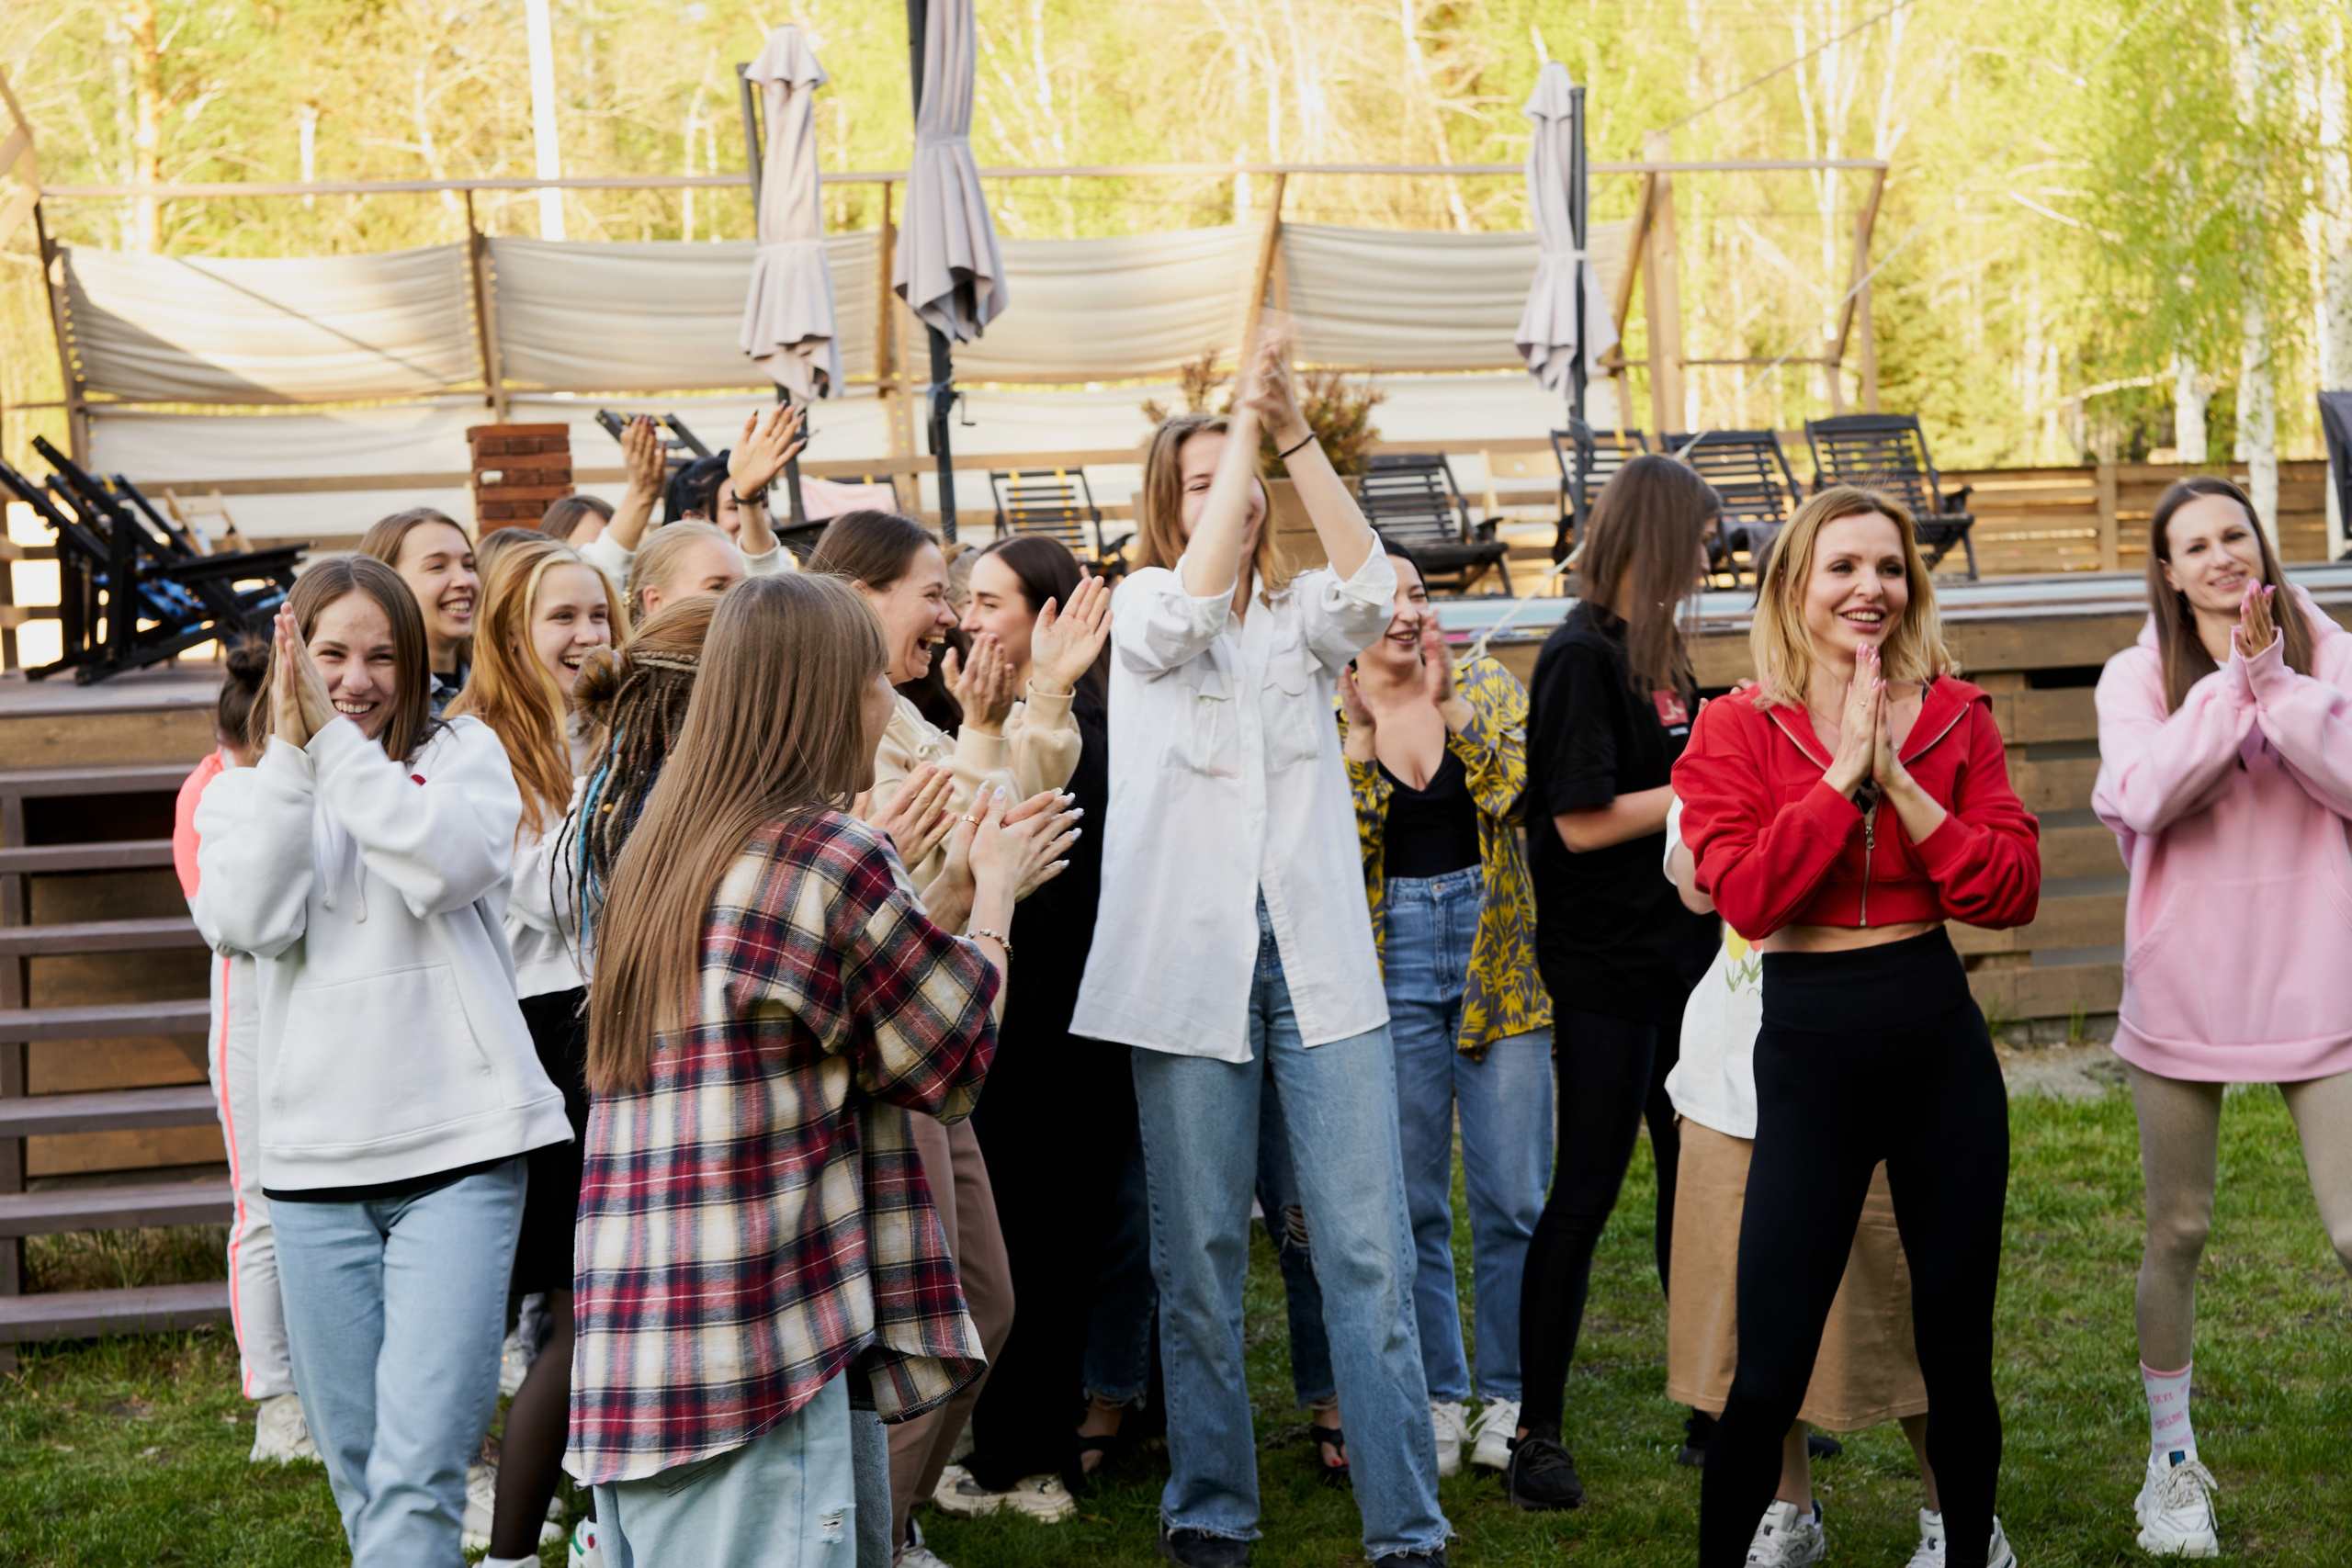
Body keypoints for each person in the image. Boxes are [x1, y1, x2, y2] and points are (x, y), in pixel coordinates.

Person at [564, 573, 1057, 1563]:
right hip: (760, 1351)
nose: (893, 700)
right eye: (877, 679)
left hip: (641, 1348)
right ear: (827, 694)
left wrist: (939, 886)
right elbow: (951, 1054)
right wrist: (993, 897)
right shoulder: (823, 852)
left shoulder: (663, 847)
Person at [1070, 325, 1449, 1568]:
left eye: (1234, 477)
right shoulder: (1142, 614)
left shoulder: (1299, 623)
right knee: (1201, 1258)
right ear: (1169, 510)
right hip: (1191, 979)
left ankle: (1407, 1522)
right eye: (1198, 478)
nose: (1226, 494)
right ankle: (1211, 1505)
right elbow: (1186, 599)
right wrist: (1235, 431)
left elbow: (1372, 575)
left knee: (1362, 1250)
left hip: (1318, 968)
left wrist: (1287, 429)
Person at [1674, 486, 2041, 1568]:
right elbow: (1747, 896)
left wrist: (1904, 784)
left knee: (1957, 1356)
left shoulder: (1959, 718)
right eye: (1840, 567)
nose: (1866, 589)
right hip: (1808, 1057)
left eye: (1888, 568)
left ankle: (1968, 1550)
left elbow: (2007, 886)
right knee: (1769, 1369)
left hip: (1937, 1049)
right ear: (1794, 586)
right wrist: (1841, 776)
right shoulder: (1737, 725)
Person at [192, 556, 570, 1567]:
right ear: (290, 662)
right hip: (314, 1168)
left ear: (412, 666)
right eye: (329, 657)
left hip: (464, 1153)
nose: (353, 680)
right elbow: (247, 919)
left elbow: (441, 863)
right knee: (362, 1468)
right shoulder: (238, 797)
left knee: (422, 1462)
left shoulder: (466, 755)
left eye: (380, 657)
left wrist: (338, 755)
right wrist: (291, 761)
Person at [808, 508, 1086, 1554]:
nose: (946, 612)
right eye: (933, 589)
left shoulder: (901, 710)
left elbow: (997, 808)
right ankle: (871, 1531)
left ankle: (892, 1518)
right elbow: (923, 869)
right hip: (887, 1049)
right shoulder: (841, 717)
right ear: (865, 592)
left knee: (980, 1305)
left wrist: (1041, 697)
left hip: (928, 1036)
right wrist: (985, 851)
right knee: (941, 1316)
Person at [2091, 476, 2352, 1559]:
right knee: (2179, 1228)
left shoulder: (2328, 650)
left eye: (2233, 535)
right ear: (2166, 570)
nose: (2217, 557)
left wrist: (2277, 681)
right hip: (2184, 979)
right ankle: (2170, 1463)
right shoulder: (2135, 673)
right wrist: (2228, 689)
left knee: (2351, 1229)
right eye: (2191, 545)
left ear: (2264, 543)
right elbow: (2144, 795)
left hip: (2319, 971)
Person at [1507, 454, 1722, 1510]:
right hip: (1602, 968)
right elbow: (1579, 821)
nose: (1713, 556)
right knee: (1586, 1191)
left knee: (1698, 1189)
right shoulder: (1578, 657)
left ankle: (1713, 1412)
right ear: (1655, 537)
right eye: (1703, 538)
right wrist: (1699, 784)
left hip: (1686, 959)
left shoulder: (1663, 651)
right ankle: (1534, 1433)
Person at [1663, 794, 1946, 1568]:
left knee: (1901, 1310)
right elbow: (1698, 883)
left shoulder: (1890, 738)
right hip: (1730, 1084)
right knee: (1757, 1324)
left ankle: (1955, 1515)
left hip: (1862, 1066)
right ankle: (1790, 1505)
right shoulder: (1728, 738)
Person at [1335, 541, 1551, 1480]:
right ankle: (1438, 1395)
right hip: (1389, 970)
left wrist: (1452, 702)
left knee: (1513, 1198)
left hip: (1499, 963)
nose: (1403, 610)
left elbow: (1519, 795)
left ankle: (1508, 1395)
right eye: (1381, 599)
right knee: (1413, 1202)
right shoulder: (1327, 708)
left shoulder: (1490, 687)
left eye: (1415, 593)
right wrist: (1354, 743)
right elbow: (1334, 867)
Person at [937, 537, 1131, 1518]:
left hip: (1063, 1015)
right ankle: (995, 1437)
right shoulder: (961, 709)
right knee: (997, 1239)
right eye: (964, 597)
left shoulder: (1085, 727)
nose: (969, 617)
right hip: (993, 999)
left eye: (987, 600)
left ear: (1048, 615)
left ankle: (1033, 1449)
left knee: (1050, 1242)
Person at [447, 535, 627, 1567]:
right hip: (541, 1036)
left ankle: (597, 1527)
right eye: (562, 617)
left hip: (600, 1023)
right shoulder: (483, 744)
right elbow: (551, 899)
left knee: (591, 1307)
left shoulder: (598, 733)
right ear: (513, 631)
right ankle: (516, 1548)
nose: (586, 635)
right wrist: (609, 781)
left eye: (598, 616)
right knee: (575, 1306)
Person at [172, 641, 316, 1466]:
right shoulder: (216, 790)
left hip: (320, 1017)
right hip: (252, 1022)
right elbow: (228, 916)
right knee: (259, 1206)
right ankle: (274, 1397)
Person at [576, 404, 804, 588]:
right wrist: (641, 495)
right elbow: (591, 581)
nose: (761, 519)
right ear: (693, 520)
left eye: (762, 506)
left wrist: (748, 499)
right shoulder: (666, 588)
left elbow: (769, 585)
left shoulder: (783, 563)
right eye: (735, 507)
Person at [358, 508, 480, 713]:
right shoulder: (366, 702)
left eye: (469, 565)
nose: (464, 580)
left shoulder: (503, 687)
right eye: (437, 566)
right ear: (385, 583)